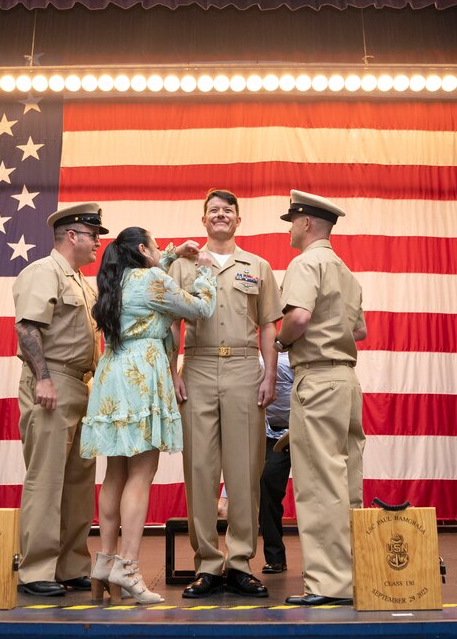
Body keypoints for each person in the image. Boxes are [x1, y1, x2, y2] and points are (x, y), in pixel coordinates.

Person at [81, 227, 216, 604]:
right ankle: (129, 566)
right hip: (142, 374)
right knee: (142, 473)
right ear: (142, 250)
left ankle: (104, 562)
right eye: (156, 246)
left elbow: (156, 276)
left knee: (115, 473)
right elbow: (200, 307)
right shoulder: (151, 278)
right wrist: (205, 269)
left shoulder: (115, 278)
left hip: (113, 375)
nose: (161, 250)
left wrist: (171, 255)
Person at [168, 189, 282, 599]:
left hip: (242, 368)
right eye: (213, 210)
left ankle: (239, 563)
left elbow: (269, 323)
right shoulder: (182, 265)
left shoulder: (259, 266)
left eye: (227, 211)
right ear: (203, 221)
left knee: (244, 471)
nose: (220, 215)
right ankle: (207, 565)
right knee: (199, 468)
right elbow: (169, 324)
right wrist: (171, 372)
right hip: (196, 366)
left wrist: (269, 374)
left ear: (238, 220)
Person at [273, 190, 366, 607]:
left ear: (306, 223)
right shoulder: (344, 271)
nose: (290, 228)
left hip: (317, 378)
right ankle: (352, 576)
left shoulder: (305, 262)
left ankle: (328, 584)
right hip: (346, 379)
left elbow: (298, 316)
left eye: (292, 221)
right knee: (347, 483)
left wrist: (279, 342)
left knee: (317, 482)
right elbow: (358, 330)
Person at [11, 202, 107, 597]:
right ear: (73, 235)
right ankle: (36, 570)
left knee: (79, 481)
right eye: (93, 235)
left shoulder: (83, 282)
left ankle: (70, 565)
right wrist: (44, 379)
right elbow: (28, 327)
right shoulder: (43, 272)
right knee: (46, 479)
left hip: (81, 386)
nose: (98, 242)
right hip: (53, 382)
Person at [259, 351, 293, 574]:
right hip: (272, 435)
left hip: (305, 430)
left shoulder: (298, 360)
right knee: (266, 486)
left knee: (315, 494)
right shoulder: (256, 363)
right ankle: (275, 557)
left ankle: (318, 560)